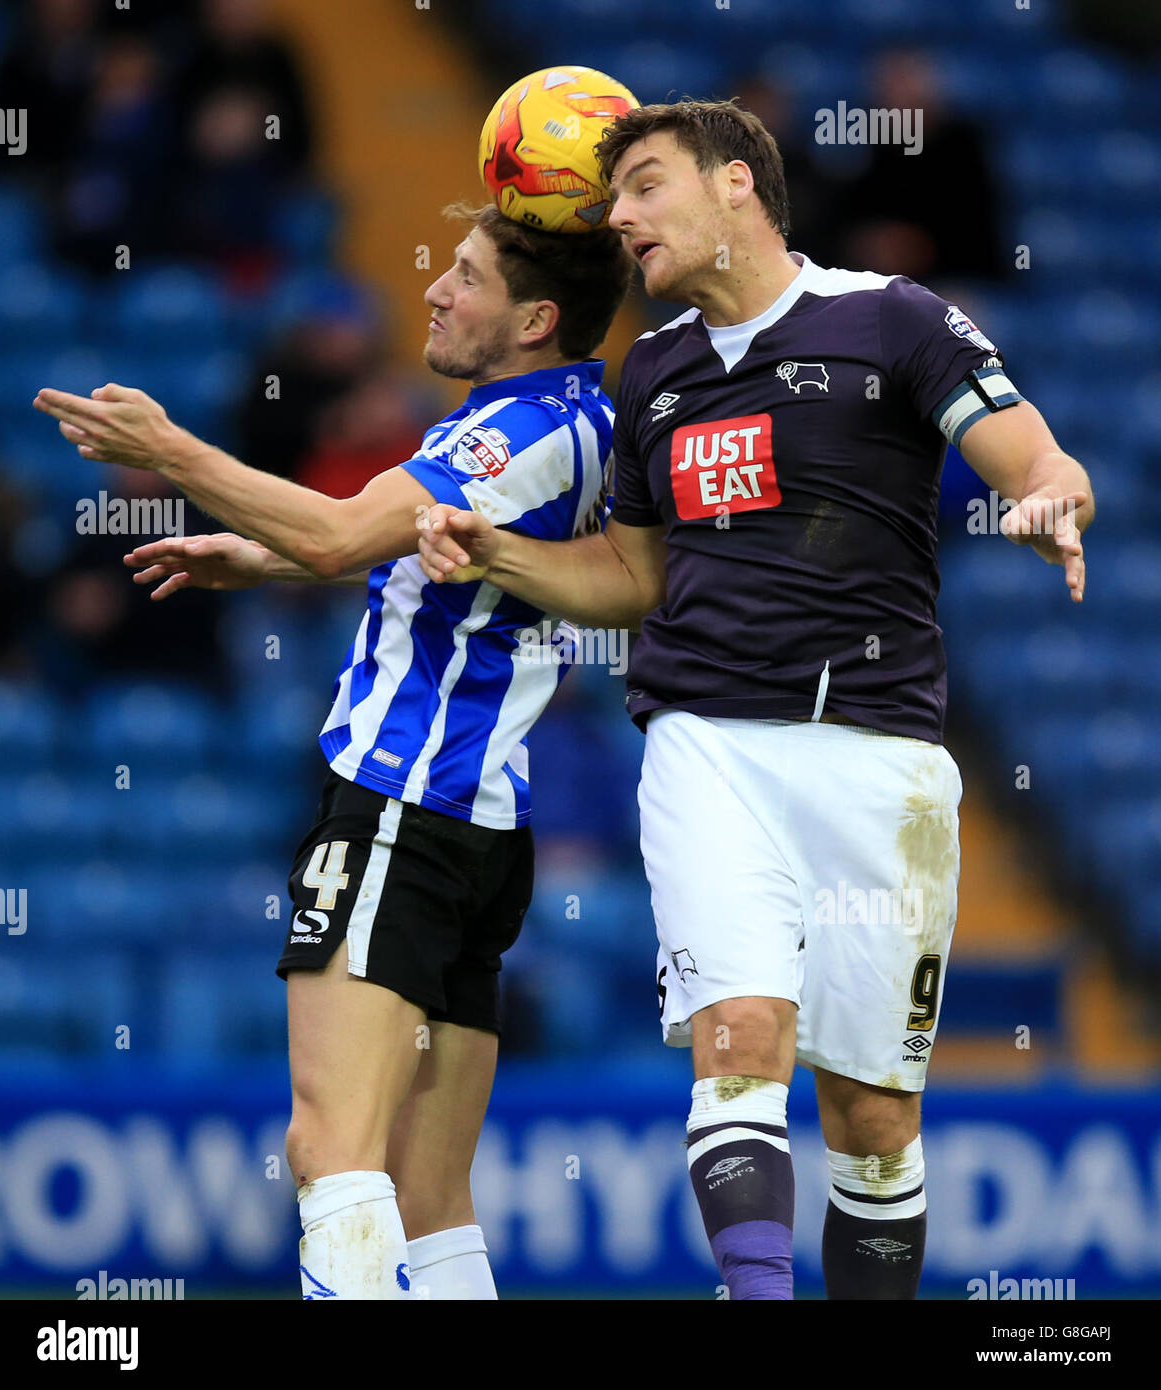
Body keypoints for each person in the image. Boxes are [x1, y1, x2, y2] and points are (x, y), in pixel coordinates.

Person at [417, 99, 1093, 1301]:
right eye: (613, 196)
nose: (617, 216)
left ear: (736, 183)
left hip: (878, 757)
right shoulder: (656, 375)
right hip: (706, 745)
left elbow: (1031, 453)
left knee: (873, 1115)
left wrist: (1048, 496)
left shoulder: (889, 318)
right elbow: (633, 576)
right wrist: (498, 551)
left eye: (643, 187)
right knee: (736, 1044)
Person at [33, 203, 631, 1299]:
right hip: (482, 820)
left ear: (537, 316)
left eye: (466, 276)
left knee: (331, 1151)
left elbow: (342, 531)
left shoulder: (504, 430)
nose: (437, 291)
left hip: (399, 802)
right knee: (430, 1191)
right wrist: (266, 562)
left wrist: (166, 448)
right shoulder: (586, 417)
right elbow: (452, 568)